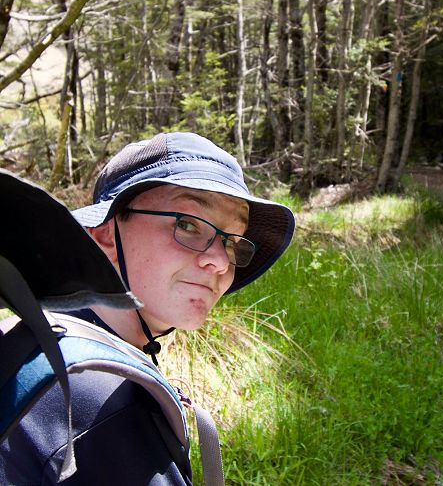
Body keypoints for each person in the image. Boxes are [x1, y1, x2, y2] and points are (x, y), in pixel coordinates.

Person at [0, 132, 294, 485]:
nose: (220, 261)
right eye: (188, 224)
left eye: (232, 242)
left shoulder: (40, 339)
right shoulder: (100, 404)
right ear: (105, 234)